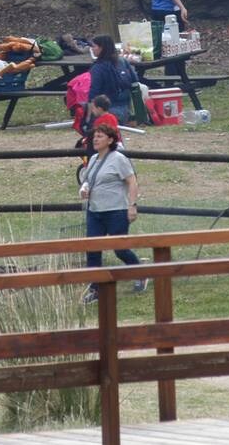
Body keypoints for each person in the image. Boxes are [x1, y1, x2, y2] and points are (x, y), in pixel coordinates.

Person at [78, 122, 146, 304]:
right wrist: (84, 190)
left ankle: (140, 273)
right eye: (94, 137)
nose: (95, 139)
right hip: (95, 211)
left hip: (116, 210)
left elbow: (132, 182)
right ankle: (95, 288)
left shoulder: (118, 159)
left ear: (110, 140)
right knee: (92, 249)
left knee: (120, 249)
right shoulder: (93, 160)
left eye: (100, 136)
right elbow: (87, 182)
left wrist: (132, 205)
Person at [87, 35, 138, 124]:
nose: (92, 49)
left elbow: (93, 93)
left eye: (94, 46)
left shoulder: (98, 68)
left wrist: (88, 116)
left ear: (101, 48)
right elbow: (135, 80)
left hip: (106, 112)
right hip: (126, 110)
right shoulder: (122, 61)